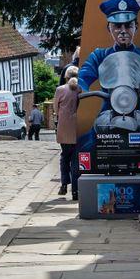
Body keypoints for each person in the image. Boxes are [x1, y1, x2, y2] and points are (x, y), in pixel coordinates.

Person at [77, 0, 140, 154]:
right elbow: (84, 75)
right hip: (109, 108)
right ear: (109, 28)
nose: (122, 31)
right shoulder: (99, 55)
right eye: (117, 26)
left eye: (128, 25)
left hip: (138, 109)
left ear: (136, 26)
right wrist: (79, 89)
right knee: (85, 147)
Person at [54, 71, 82, 199]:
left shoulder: (60, 90)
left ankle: (64, 184)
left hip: (64, 128)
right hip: (77, 127)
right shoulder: (80, 89)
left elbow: (55, 109)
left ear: (66, 77)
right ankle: (76, 191)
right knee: (75, 160)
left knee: (65, 157)